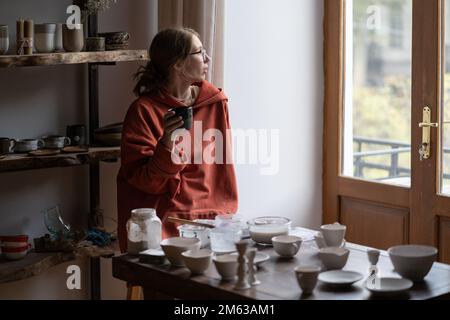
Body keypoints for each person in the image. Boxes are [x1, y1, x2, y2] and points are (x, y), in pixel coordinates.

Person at [117, 28, 238, 252]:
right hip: (165, 221)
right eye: (199, 52)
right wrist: (167, 145)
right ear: (178, 64)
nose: (207, 58)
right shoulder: (143, 111)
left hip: (213, 218)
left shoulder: (216, 104)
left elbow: (222, 171)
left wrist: (225, 216)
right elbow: (144, 181)